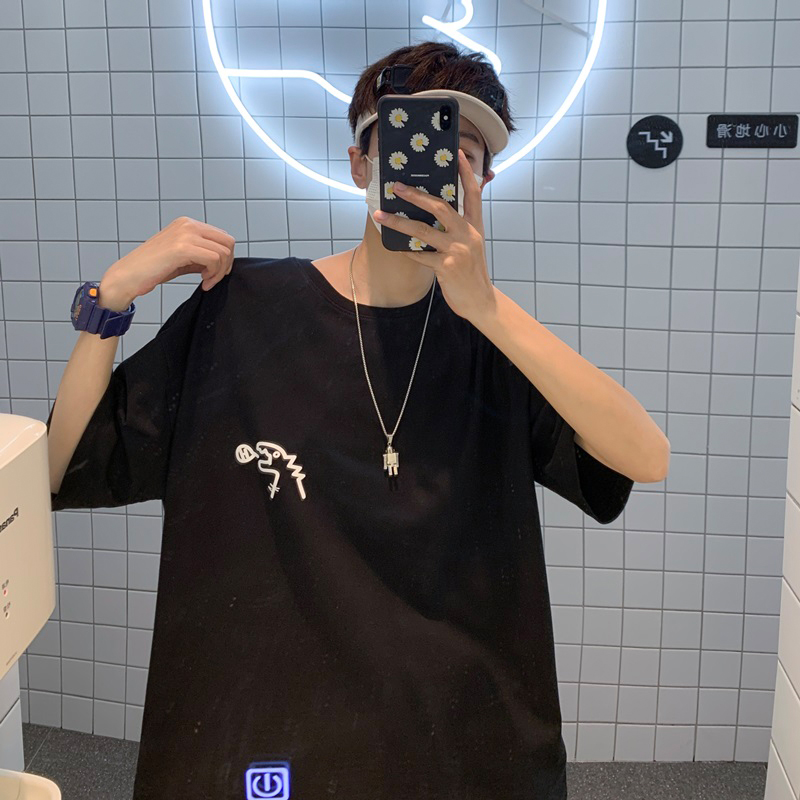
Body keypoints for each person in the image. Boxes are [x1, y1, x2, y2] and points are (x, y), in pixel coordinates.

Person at [47, 40, 668, 800]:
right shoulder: (243, 309)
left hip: (461, 746)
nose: (436, 170)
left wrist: (485, 306)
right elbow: (60, 469)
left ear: (484, 182)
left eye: (463, 155)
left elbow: (645, 457)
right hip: (265, 739)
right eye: (409, 144)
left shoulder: (494, 344)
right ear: (358, 164)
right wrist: (108, 304)